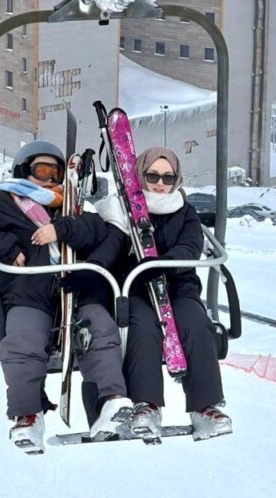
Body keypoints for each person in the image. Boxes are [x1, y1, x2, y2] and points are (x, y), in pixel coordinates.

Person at [0, 140, 133, 454]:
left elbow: (96, 231)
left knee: (100, 328)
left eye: (56, 171)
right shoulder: (4, 201)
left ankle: (111, 402)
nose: (50, 177)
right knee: (22, 340)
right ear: (25, 170)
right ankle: (28, 415)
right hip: (27, 293)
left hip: (73, 292)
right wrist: (5, 247)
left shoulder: (70, 205)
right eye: (42, 169)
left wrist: (62, 229)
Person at [108, 147, 231, 442]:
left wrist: (161, 264)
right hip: (136, 288)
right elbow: (111, 244)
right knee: (142, 326)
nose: (160, 183)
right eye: (152, 176)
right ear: (140, 175)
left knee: (195, 323)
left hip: (178, 287)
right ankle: (146, 405)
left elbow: (190, 247)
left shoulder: (185, 211)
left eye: (167, 177)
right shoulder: (124, 210)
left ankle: (205, 407)